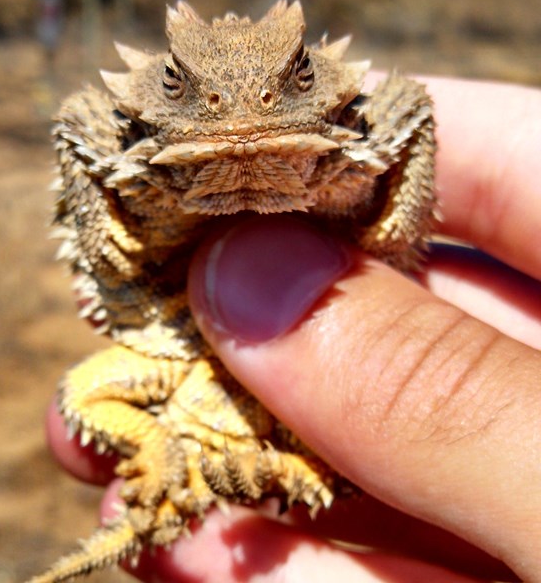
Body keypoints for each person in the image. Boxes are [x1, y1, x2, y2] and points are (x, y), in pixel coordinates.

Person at [46, 77, 541, 582]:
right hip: (175, 344)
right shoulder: (133, 137)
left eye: (296, 77)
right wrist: (96, 227)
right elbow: (77, 114)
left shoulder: (347, 130)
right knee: (82, 394)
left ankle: (283, 472)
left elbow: (409, 104)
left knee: (354, 443)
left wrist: (396, 229)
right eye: (180, 84)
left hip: (291, 393)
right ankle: (158, 451)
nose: (237, 109)